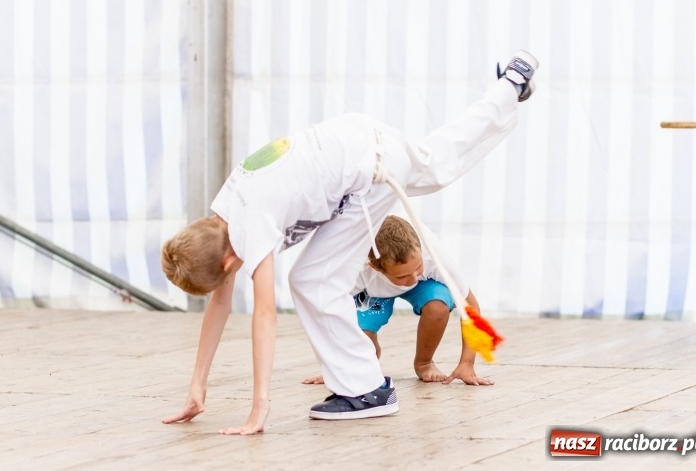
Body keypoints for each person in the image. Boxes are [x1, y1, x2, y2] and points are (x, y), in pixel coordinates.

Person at [160, 51, 538, 435]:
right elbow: (219, 304)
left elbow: (265, 315)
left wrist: (260, 408)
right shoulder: (224, 213)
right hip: (364, 137)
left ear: (226, 265)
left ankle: (366, 390)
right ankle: (511, 86)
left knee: (314, 280)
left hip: (366, 172)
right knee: (440, 159)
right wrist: (197, 385)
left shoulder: (251, 225)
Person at [302, 215, 493, 389]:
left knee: (438, 307)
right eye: (402, 276)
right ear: (374, 266)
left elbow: (471, 308)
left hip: (426, 284)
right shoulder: (357, 266)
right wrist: (335, 367)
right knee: (360, 340)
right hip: (373, 289)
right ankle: (369, 348)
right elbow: (329, 313)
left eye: (418, 267)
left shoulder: (434, 258)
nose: (412, 278)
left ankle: (424, 362)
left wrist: (467, 363)